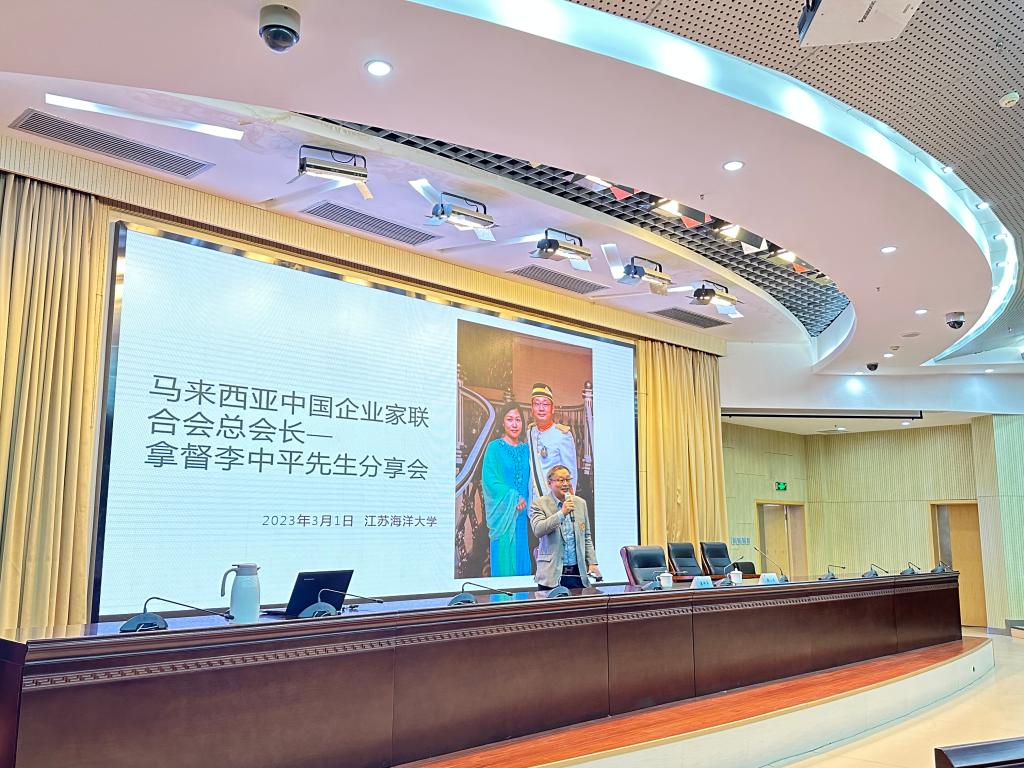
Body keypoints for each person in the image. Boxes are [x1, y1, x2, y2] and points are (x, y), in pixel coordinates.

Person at [480, 403, 532, 576]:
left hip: (522, 516)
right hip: (503, 516)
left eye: (518, 420)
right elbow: (489, 480)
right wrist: (514, 497)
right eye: (510, 419)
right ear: (502, 423)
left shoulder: (527, 450)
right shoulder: (494, 448)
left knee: (521, 561)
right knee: (503, 562)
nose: (514, 424)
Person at [529, 464, 600, 589]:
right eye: (561, 480)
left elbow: (586, 536)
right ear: (549, 483)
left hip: (577, 574)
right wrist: (562, 513)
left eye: (568, 479)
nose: (566, 484)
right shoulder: (539, 504)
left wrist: (592, 562)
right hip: (551, 575)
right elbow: (538, 529)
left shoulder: (580, 503)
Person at [526, 383, 578, 501]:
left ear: (552, 408)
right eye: (537, 404)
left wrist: (567, 503)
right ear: (532, 409)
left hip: (554, 504)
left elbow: (570, 475)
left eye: (545, 404)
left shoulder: (563, 435)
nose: (541, 408)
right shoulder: (530, 432)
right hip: (533, 504)